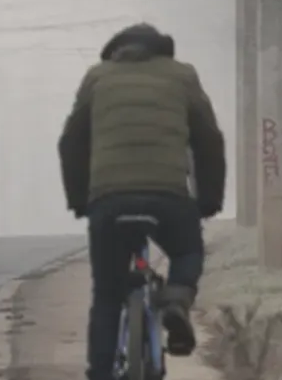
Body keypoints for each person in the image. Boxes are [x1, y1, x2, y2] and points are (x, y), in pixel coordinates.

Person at [56, 23, 226, 380]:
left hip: (110, 199)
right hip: (168, 196)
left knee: (106, 294)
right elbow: (208, 139)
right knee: (186, 251)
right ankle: (177, 301)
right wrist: (208, 199)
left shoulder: (97, 78)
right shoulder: (182, 76)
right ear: (163, 50)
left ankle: (100, 372)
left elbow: (71, 141)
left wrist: (81, 200)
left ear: (115, 51)